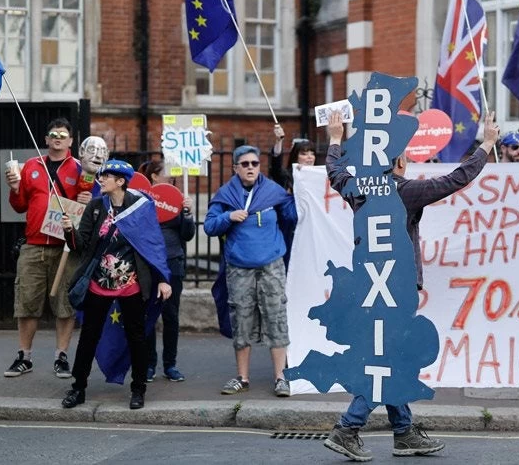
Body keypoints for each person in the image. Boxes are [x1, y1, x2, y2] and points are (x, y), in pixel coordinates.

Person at [322, 110, 501, 461]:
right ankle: (348, 427)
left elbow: (335, 173)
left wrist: (334, 138)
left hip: (368, 287)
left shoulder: (360, 190)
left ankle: (404, 432)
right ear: (400, 162)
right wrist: (487, 145)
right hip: (394, 290)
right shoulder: (405, 192)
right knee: (388, 363)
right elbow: (453, 180)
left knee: (391, 358)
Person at [59, 160, 172, 410]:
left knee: (136, 337)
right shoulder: (96, 207)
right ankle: (78, 388)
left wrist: (163, 278)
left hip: (131, 284)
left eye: (106, 176)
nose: (101, 179)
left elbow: (153, 244)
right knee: (89, 336)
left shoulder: (140, 207)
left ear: (120, 181)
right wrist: (69, 231)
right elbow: (81, 244)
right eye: (101, 175)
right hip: (98, 284)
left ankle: (138, 389)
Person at [204, 145, 297, 398]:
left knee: (276, 318)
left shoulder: (273, 192)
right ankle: (242, 378)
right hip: (239, 267)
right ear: (235, 168)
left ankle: (280, 377)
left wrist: (297, 194)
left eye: (254, 163)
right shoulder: (226, 194)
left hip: (271, 266)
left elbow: (292, 217)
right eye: (244, 164)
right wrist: (229, 217)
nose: (250, 168)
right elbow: (209, 226)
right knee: (241, 320)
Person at [4, 117, 90, 379]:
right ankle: (24, 357)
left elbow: (90, 211)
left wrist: (88, 199)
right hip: (33, 245)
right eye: (53, 134)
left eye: (63, 135)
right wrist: (15, 188)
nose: (57, 138)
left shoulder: (81, 169)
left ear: (71, 141)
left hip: (66, 248)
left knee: (65, 305)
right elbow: (19, 206)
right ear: (45, 139)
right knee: (27, 303)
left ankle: (61, 357)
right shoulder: (32, 165)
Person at [137, 160, 196, 383]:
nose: (172, 177)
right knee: (148, 314)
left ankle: (170, 365)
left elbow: (188, 235)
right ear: (154, 176)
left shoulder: (178, 200)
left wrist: (188, 214)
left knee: (171, 315)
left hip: (172, 262)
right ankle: (149, 364)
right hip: (147, 262)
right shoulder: (140, 199)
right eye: (167, 173)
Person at [270, 124, 317, 193]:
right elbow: (276, 168)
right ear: (295, 157)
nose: (310, 157)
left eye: (312, 154)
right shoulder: (287, 177)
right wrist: (279, 141)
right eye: (304, 154)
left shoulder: (319, 175)